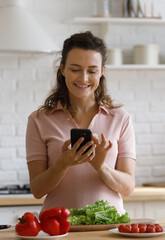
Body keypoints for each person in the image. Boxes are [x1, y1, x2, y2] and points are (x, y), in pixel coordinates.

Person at [25, 31, 136, 214]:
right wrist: (63, 164)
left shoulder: (120, 119)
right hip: (58, 229)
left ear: (101, 72)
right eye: (75, 69)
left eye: (92, 71)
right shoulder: (39, 120)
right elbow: (37, 190)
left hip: (108, 229)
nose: (83, 78)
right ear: (62, 69)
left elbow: (128, 188)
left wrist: (100, 166)